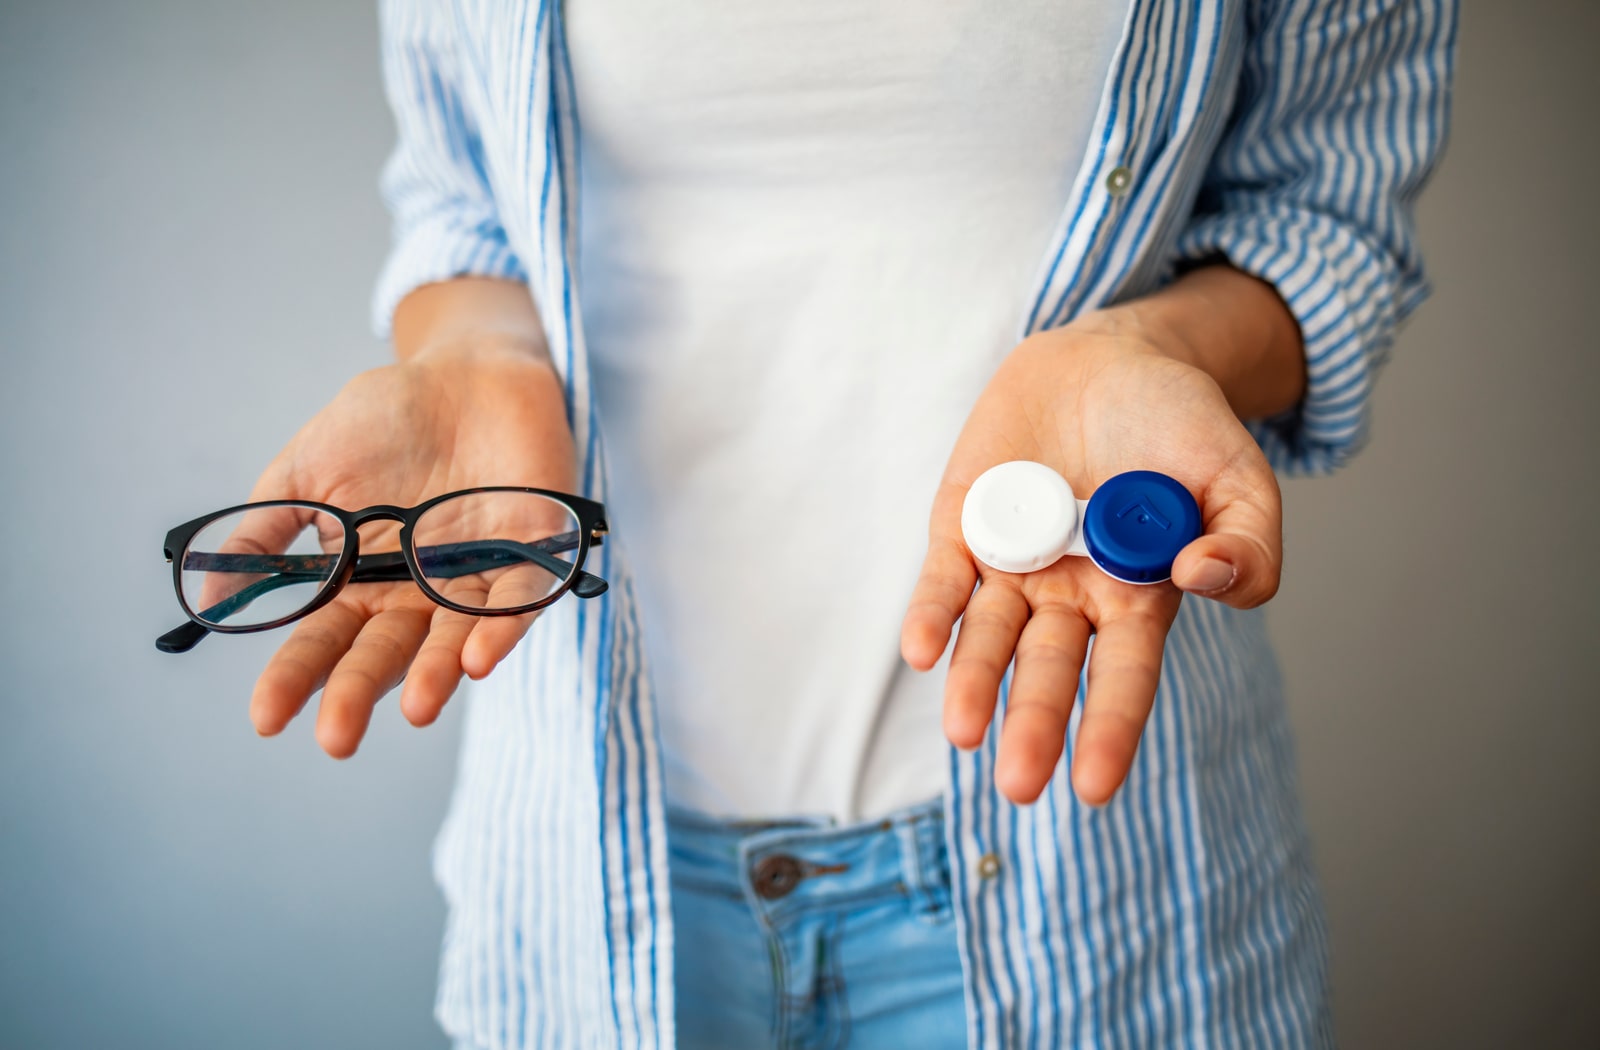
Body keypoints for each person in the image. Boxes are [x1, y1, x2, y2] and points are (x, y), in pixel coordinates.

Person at [240, 1, 1455, 1046]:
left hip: (1101, 888)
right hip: (596, 887)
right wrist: (477, 349)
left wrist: (1155, 343)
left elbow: (1324, 212)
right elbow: (462, 204)